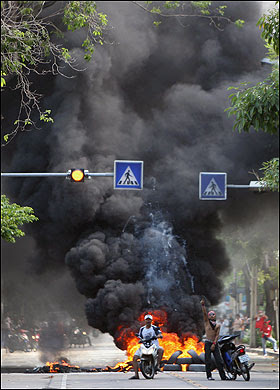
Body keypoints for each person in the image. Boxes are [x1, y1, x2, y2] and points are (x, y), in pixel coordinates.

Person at [200, 299, 228, 381]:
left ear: (215, 316)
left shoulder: (218, 325)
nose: (212, 315)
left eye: (213, 314)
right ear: (208, 316)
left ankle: (223, 376)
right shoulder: (206, 322)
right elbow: (204, 313)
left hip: (214, 344)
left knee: (219, 361)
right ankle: (209, 376)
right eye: (210, 314)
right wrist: (203, 306)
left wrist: (214, 343)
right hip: (208, 343)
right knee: (208, 360)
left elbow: (217, 335)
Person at [129, 314, 164, 380]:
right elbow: (140, 337)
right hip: (144, 346)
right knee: (135, 358)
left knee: (161, 350)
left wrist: (159, 336)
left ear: (151, 320)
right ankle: (136, 375)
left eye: (149, 320)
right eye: (147, 320)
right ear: (145, 320)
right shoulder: (142, 329)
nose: (148, 321)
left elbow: (159, 333)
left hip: (154, 346)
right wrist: (140, 340)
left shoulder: (154, 328)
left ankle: (157, 366)